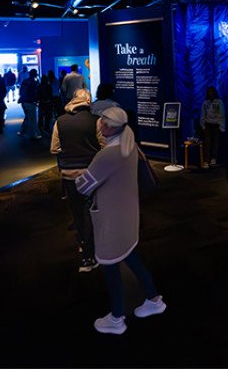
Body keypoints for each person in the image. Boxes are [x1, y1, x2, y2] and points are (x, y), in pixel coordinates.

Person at [75, 107, 166, 335]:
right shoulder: (129, 145)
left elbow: (83, 186)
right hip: (127, 215)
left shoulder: (107, 154)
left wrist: (78, 175)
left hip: (111, 219)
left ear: (107, 125)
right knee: (130, 257)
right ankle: (154, 300)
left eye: (103, 122)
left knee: (111, 265)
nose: (100, 126)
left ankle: (117, 318)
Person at [50, 89, 101, 273]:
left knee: (76, 209)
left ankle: (82, 242)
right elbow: (104, 146)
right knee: (90, 210)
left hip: (68, 173)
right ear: (88, 101)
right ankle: (88, 255)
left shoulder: (60, 121)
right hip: (90, 172)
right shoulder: (96, 120)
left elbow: (54, 149)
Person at [200, 86, 225, 168]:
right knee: (207, 142)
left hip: (216, 124)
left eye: (212, 91)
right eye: (209, 92)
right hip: (207, 124)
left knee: (215, 142)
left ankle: (213, 158)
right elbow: (202, 114)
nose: (211, 93)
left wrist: (222, 125)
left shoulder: (219, 102)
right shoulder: (205, 102)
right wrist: (202, 125)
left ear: (215, 92)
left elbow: (222, 114)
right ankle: (206, 160)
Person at [18, 68, 42, 139]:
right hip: (30, 102)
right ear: (35, 74)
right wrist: (37, 100)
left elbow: (21, 90)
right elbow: (36, 93)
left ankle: (22, 131)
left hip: (23, 101)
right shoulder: (35, 82)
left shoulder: (25, 81)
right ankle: (33, 134)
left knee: (27, 117)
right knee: (32, 119)